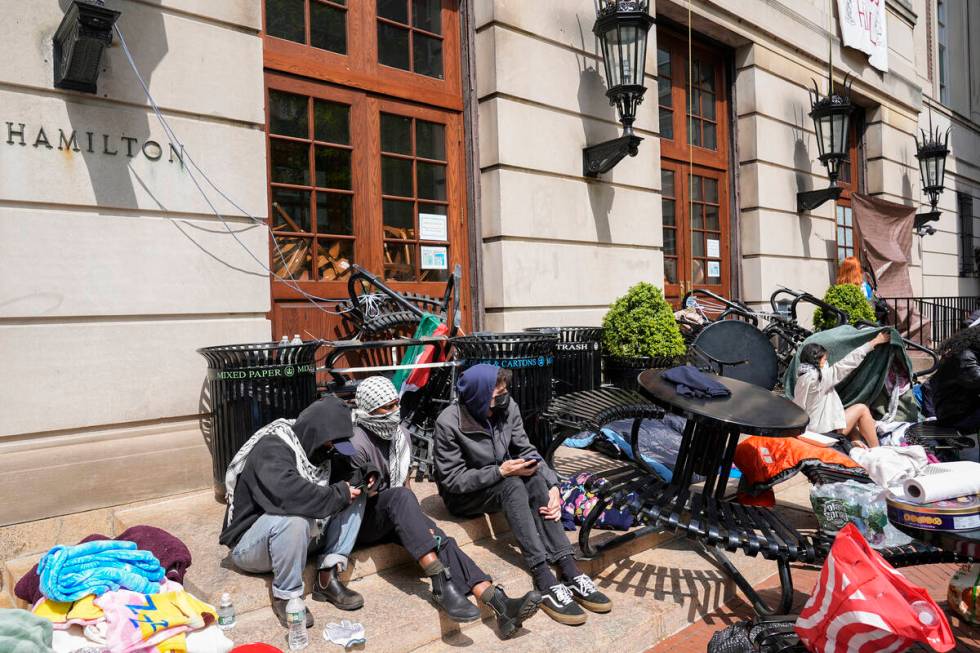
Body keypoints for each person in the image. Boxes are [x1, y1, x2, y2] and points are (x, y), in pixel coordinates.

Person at [347, 376, 542, 639]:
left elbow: (404, 486)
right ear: (368, 410)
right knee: (401, 500)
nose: (394, 411)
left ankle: (498, 602)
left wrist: (417, 524)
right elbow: (352, 498)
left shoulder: (401, 434)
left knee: (441, 538)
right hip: (361, 520)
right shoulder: (353, 441)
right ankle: (440, 582)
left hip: (393, 511)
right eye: (386, 407)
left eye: (396, 404)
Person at [433, 365, 611, 626]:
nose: (504, 398)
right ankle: (542, 574)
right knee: (513, 485)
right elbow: (453, 480)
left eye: (505, 391)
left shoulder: (508, 408)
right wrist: (500, 471)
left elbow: (526, 449)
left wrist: (553, 487)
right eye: (498, 394)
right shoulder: (448, 423)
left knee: (535, 476)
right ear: (478, 397)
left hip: (501, 477)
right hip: (464, 495)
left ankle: (569, 567)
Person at [219, 396, 367, 629]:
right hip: (252, 546)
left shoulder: (322, 449)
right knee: (294, 520)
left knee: (355, 496)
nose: (333, 452)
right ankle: (286, 597)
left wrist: (365, 479)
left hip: (300, 540)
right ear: (318, 436)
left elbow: (352, 474)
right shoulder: (272, 448)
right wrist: (340, 493)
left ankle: (327, 576)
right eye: (332, 445)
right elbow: (289, 497)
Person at [792, 331, 891, 447]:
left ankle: (856, 442)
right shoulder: (818, 379)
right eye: (824, 359)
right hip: (824, 434)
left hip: (810, 431)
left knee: (846, 414)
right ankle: (877, 449)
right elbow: (846, 363)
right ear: (817, 360)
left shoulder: (802, 378)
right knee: (861, 409)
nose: (826, 362)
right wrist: (874, 342)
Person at [926, 325, 980, 432]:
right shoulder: (965, 357)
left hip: (963, 411)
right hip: (956, 417)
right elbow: (976, 379)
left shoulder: (968, 354)